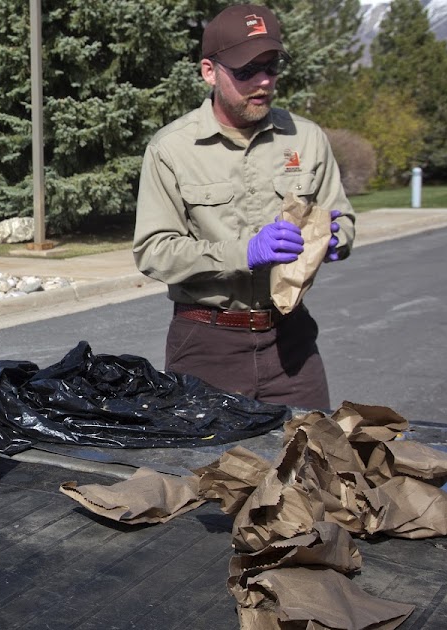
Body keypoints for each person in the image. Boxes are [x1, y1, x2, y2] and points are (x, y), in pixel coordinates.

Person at [132, 4, 354, 410]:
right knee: (208, 472)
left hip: (292, 342)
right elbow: (153, 251)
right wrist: (245, 252)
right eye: (246, 70)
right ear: (209, 72)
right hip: (206, 343)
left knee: (313, 463)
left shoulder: (306, 139)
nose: (264, 81)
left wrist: (337, 237)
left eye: (271, 66)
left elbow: (341, 213)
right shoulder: (172, 149)